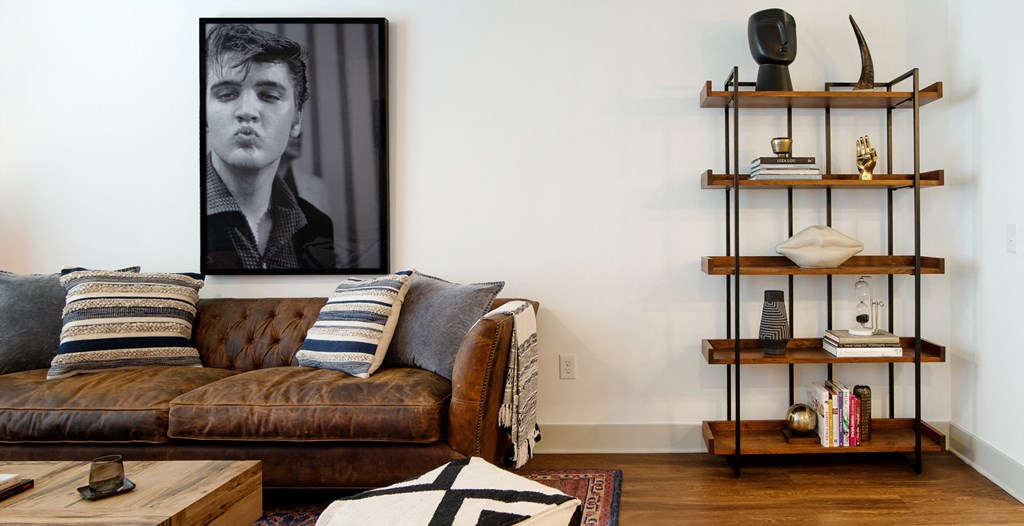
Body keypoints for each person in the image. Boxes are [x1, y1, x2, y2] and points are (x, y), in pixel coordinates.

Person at [203, 24, 336, 271]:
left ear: (297, 119)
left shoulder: (316, 227)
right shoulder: (181, 215)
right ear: (204, 115)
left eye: (269, 96)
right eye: (226, 94)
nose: (247, 112)